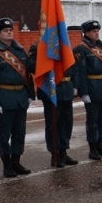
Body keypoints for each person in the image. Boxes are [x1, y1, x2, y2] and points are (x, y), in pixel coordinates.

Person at [0, 18, 33, 178]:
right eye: (5, 30)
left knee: (20, 131)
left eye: (11, 29)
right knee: (5, 133)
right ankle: (7, 164)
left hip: (20, 96)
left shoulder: (20, 50)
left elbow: (27, 74)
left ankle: (17, 160)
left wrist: (30, 94)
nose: (9, 32)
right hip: (4, 97)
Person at [28, 39, 78, 168]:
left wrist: (75, 85)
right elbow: (31, 66)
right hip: (50, 90)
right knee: (53, 124)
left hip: (66, 89)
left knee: (66, 123)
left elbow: (73, 66)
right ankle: (54, 154)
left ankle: (63, 151)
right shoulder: (39, 47)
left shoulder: (65, 45)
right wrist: (46, 60)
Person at [73, 20, 102, 161]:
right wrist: (84, 92)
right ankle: (92, 148)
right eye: (93, 31)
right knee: (93, 120)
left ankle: (100, 144)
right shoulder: (81, 49)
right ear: (86, 33)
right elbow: (81, 72)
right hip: (92, 87)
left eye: (97, 31)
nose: (96, 33)